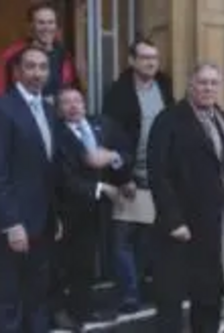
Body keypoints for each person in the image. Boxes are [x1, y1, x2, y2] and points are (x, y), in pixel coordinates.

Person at [147, 63, 224, 333]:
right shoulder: (168, 119)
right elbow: (158, 173)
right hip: (180, 224)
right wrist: (173, 219)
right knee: (171, 297)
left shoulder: (222, 118)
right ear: (190, 85)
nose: (208, 88)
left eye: (214, 83)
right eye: (203, 82)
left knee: (209, 294)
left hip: (213, 222)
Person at [102, 38, 174, 312]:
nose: (151, 62)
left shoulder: (164, 85)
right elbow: (110, 137)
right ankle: (129, 293)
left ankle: (140, 286)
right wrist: (122, 177)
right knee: (121, 241)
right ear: (132, 61)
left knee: (147, 238)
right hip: (130, 176)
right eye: (144, 57)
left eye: (154, 57)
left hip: (158, 176)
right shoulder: (118, 92)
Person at [54, 87, 133, 328]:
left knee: (93, 260)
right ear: (58, 110)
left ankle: (85, 309)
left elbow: (125, 151)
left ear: (85, 104)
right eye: (66, 103)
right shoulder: (56, 135)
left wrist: (113, 159)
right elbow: (63, 178)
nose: (73, 106)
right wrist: (100, 188)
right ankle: (63, 311)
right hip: (71, 209)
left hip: (108, 205)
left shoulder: (103, 124)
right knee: (69, 263)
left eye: (77, 101)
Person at [0, 46, 59, 333]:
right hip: (15, 224)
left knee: (38, 294)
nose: (38, 73)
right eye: (31, 67)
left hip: (44, 220)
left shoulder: (48, 109)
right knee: (9, 299)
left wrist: (55, 215)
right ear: (17, 72)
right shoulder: (4, 108)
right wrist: (10, 222)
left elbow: (47, 169)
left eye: (43, 67)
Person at [0, 1, 79, 98]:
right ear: (31, 26)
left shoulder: (65, 56)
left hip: (56, 111)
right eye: (41, 23)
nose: (47, 27)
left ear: (56, 26)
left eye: (51, 22)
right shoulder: (11, 55)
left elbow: (72, 90)